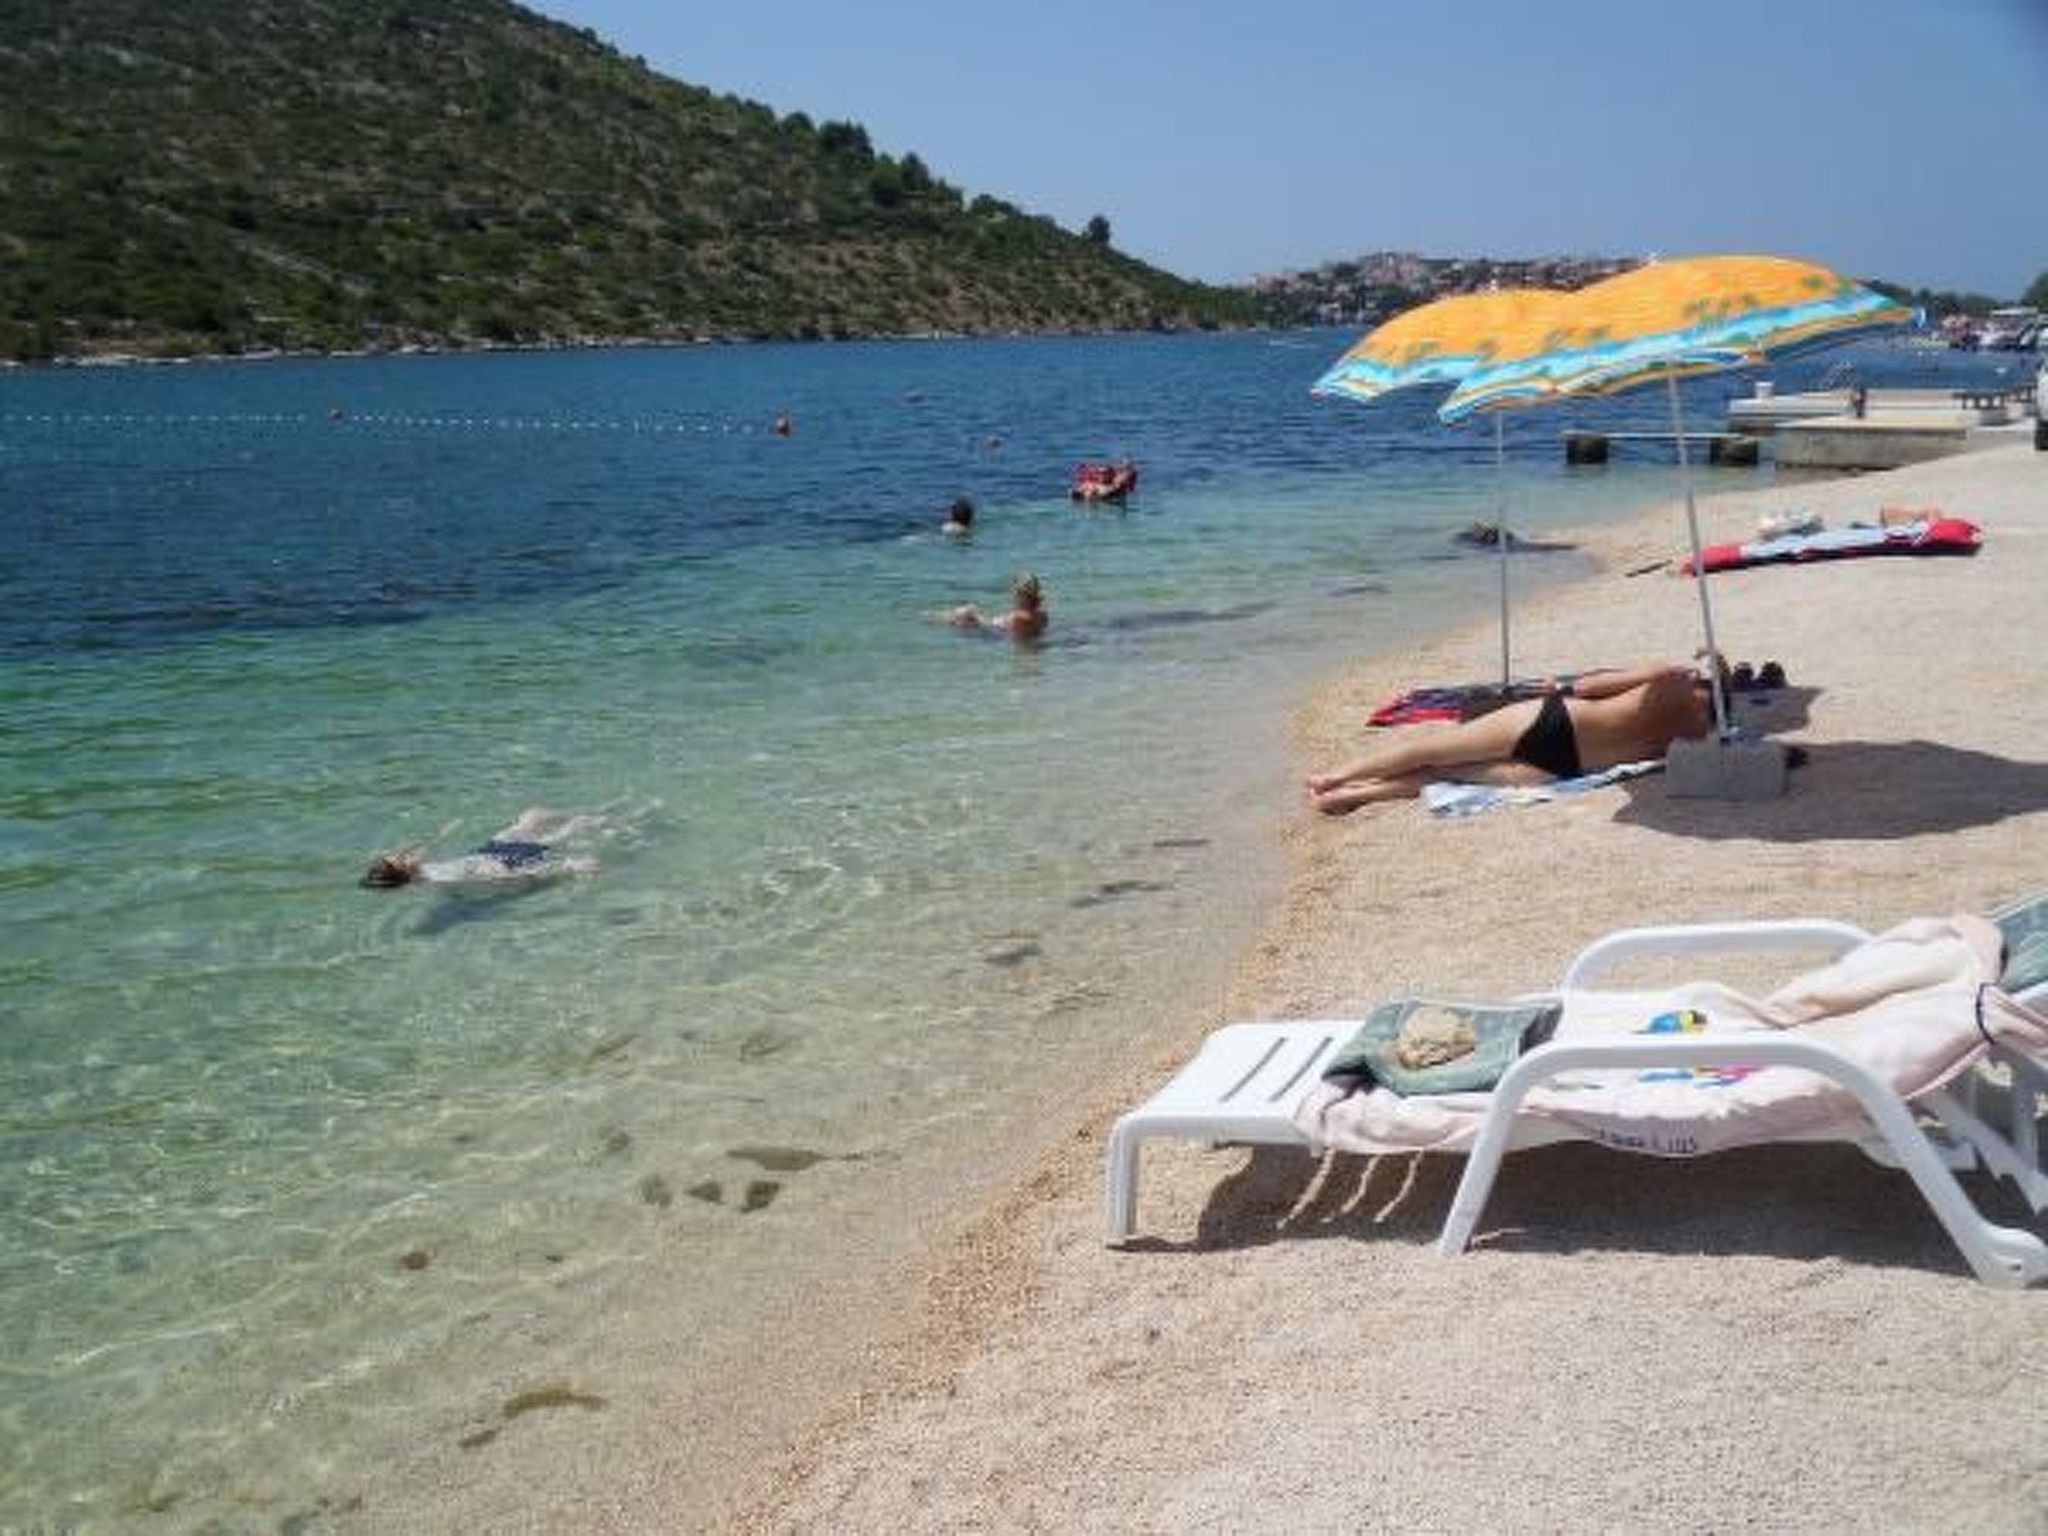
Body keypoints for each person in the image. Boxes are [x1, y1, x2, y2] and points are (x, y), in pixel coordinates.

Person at [1305, 659, 1722, 816]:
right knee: (1446, 778)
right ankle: (1351, 797)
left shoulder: (1669, 678)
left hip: (1555, 721)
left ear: (1703, 676)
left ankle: (1336, 777)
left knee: (1430, 750)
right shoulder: (1704, 736)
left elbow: (1588, 687)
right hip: (1563, 766)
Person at [362, 806, 609, 888]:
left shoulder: (419, 871)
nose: (397, 855)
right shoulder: (441, 877)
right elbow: (501, 876)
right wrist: (567, 867)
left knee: (532, 815)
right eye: (396, 860)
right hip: (508, 860)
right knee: (571, 829)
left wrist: (444, 831)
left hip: (486, 851)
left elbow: (418, 851)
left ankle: (596, 812)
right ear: (403, 872)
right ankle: (619, 816)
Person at [947, 572, 1048, 643]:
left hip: (999, 639)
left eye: (1014, 592)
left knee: (960, 616)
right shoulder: (1043, 615)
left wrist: (971, 615)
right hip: (1021, 642)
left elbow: (989, 624)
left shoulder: (1016, 617)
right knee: (963, 616)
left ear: (1019, 594)